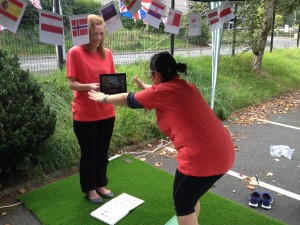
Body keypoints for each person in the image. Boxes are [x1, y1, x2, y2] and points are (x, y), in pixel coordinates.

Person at [88, 51, 235, 224]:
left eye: (151, 77)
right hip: (225, 152)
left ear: (156, 74)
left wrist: (103, 98)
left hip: (201, 159)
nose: (151, 80)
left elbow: (128, 99)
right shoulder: (187, 86)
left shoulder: (160, 93)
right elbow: (162, 94)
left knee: (183, 202)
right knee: (190, 197)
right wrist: (147, 88)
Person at [66, 14, 116, 204]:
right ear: (85, 34)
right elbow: (71, 84)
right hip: (85, 114)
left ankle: (101, 183)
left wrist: (116, 88)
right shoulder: (75, 52)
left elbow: (111, 81)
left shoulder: (107, 53)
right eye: (94, 34)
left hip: (106, 111)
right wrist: (89, 86)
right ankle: (89, 189)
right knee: (89, 154)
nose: (98, 38)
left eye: (101, 34)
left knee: (102, 152)